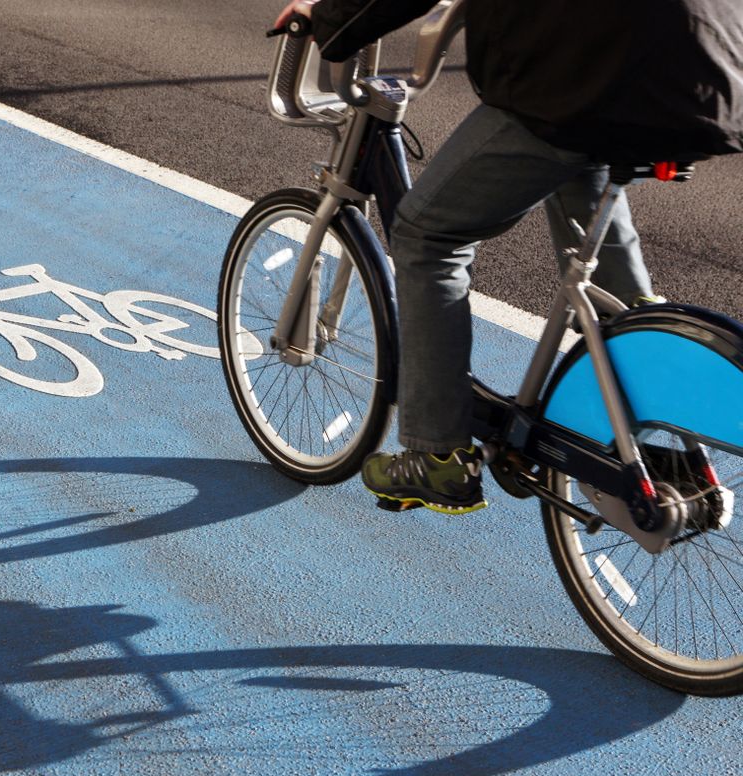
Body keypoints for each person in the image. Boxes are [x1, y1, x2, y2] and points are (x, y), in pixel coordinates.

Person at [274, 0, 743, 514]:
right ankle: (646, 356)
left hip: (583, 76)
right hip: (707, 76)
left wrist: (330, 20)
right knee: (582, 165)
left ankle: (437, 454)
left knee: (425, 234)